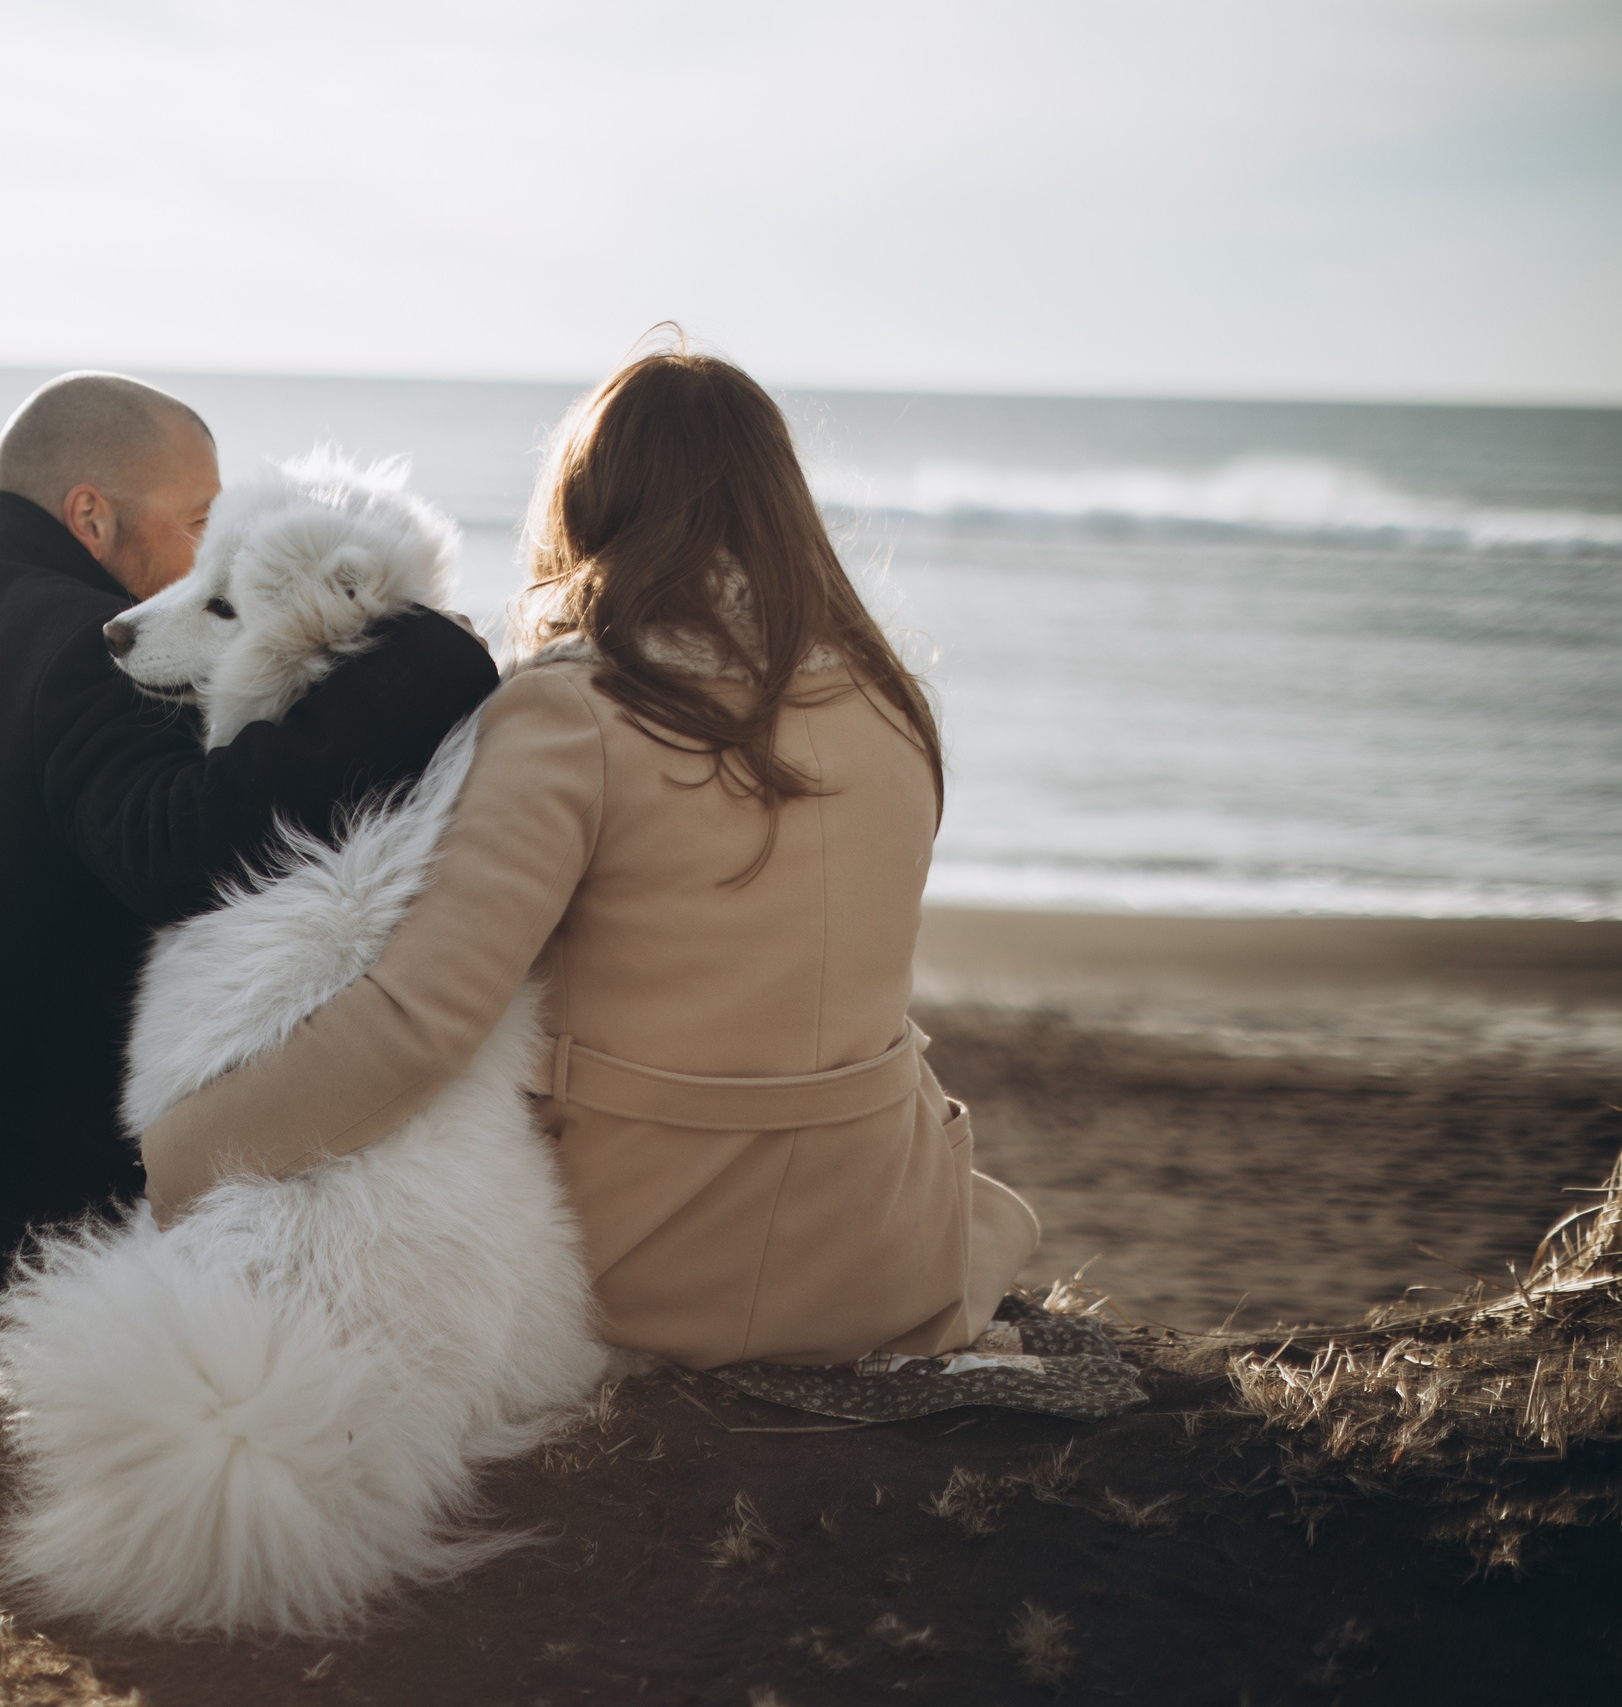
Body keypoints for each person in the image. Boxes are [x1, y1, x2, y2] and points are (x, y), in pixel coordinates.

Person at [136, 341, 1040, 1370]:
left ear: (585, 504)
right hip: (888, 1246)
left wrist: (174, 1162)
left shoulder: (574, 711)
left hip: (660, 1262)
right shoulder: (886, 699)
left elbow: (416, 1023)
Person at [0, 371, 498, 1322]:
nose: (209, 550)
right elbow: (186, 851)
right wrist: (422, 655)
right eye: (195, 519)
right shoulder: (78, 646)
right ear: (88, 514)